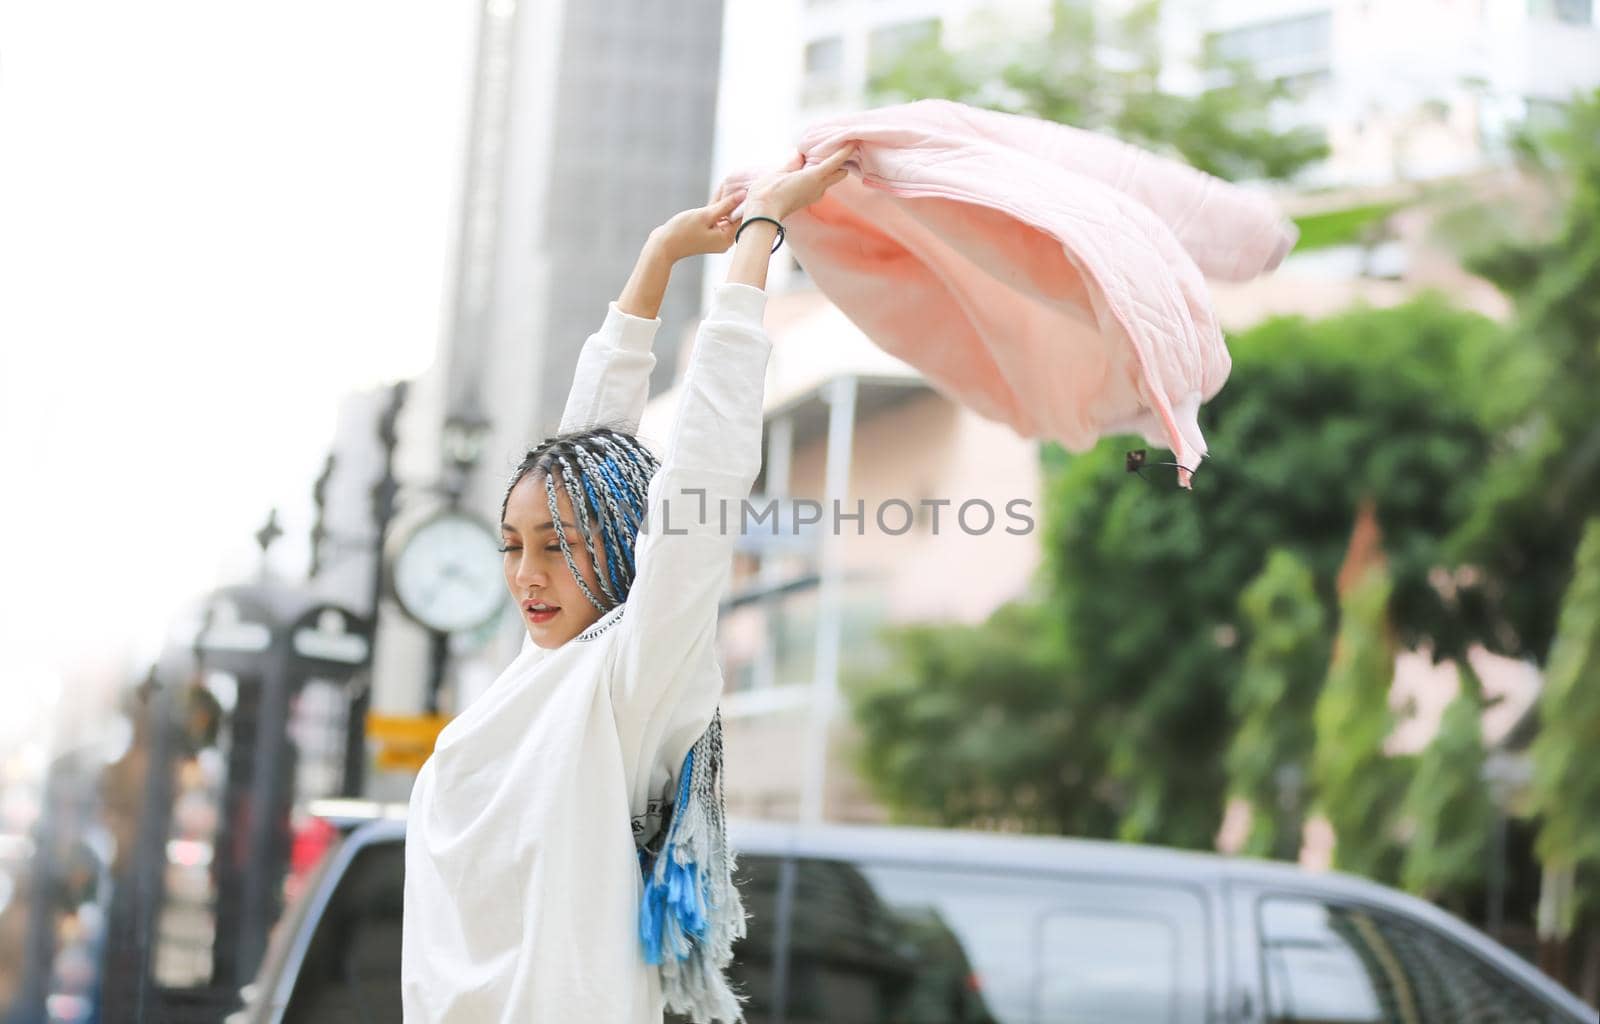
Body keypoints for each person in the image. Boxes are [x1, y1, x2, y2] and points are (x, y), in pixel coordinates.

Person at [400, 144, 855, 1024]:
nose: (528, 576)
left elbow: (703, 478)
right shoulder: (535, 672)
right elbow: (584, 459)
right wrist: (656, 260)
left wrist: (760, 239)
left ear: (615, 543)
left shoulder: (628, 676)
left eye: (558, 549)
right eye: (510, 546)